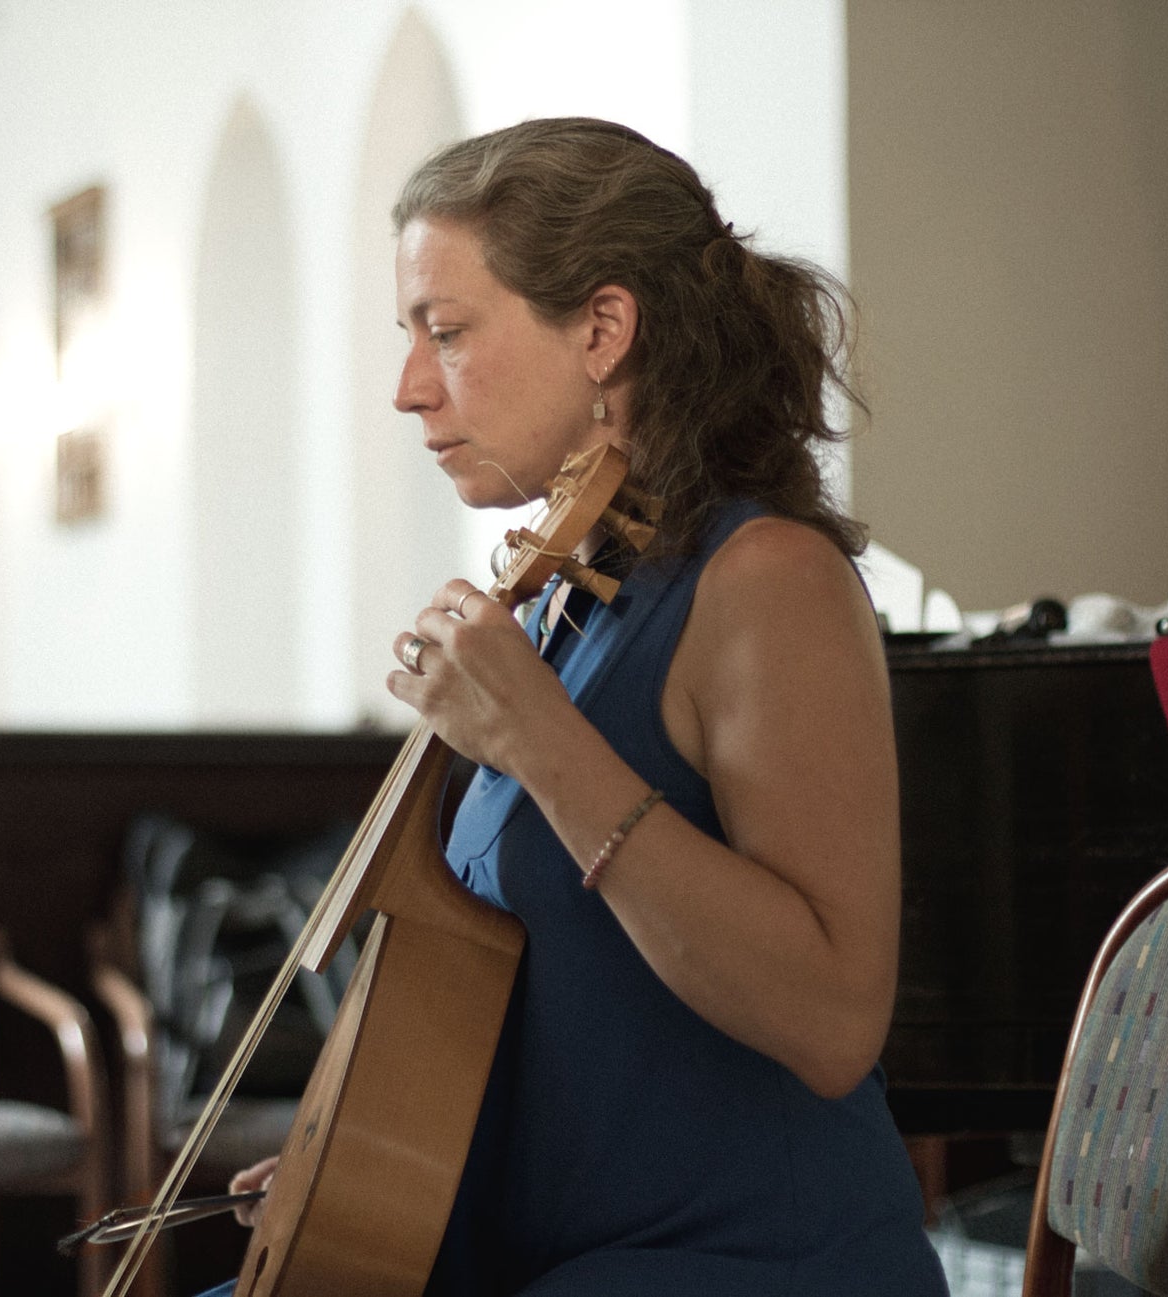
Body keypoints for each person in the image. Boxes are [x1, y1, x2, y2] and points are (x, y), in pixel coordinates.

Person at [212, 117, 947, 1296]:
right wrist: (366, 1160)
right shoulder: (570, 595)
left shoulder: (769, 582)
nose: (407, 388)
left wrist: (540, 744)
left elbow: (830, 1017)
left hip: (735, 1264)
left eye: (444, 333)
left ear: (602, 329)